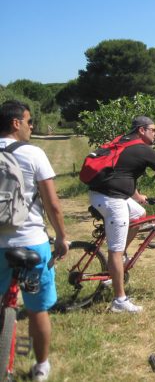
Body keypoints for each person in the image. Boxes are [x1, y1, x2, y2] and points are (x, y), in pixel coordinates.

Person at [87, 116, 155, 313]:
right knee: (115, 250)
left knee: (139, 214)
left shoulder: (123, 141)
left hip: (102, 194)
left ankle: (119, 263)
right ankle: (119, 301)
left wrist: (136, 195)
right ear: (141, 130)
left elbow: (123, 171)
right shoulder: (143, 149)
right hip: (111, 200)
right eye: (153, 130)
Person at [0, 100, 69, 381]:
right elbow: (53, 204)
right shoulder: (33, 153)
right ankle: (41, 366)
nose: (32, 127)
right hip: (30, 240)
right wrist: (62, 237)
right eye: (29, 122)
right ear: (16, 123)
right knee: (37, 308)